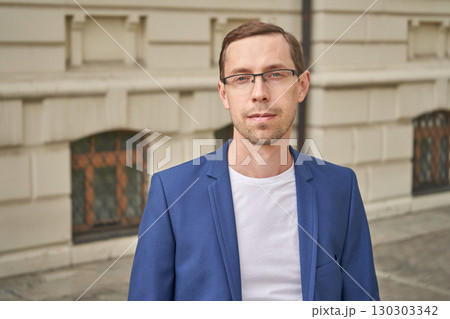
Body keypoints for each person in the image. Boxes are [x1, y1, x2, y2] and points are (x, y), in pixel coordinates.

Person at [128, 21, 379, 301]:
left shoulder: (340, 188)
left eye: (275, 74)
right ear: (224, 94)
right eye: (241, 78)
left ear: (302, 85)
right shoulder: (171, 192)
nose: (259, 93)